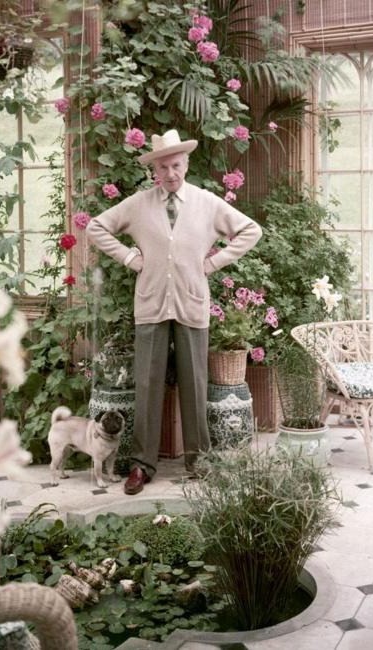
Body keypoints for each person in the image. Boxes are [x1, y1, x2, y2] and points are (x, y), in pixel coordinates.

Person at [86, 129, 262, 495]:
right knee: (147, 384)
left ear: (186, 163)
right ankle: (142, 464)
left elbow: (250, 230)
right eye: (163, 167)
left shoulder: (207, 203)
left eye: (176, 165)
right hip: (151, 302)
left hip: (192, 301)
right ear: (154, 170)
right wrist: (130, 258)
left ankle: (200, 460)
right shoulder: (138, 204)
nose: (170, 173)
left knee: (195, 383)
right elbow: (96, 227)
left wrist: (212, 263)